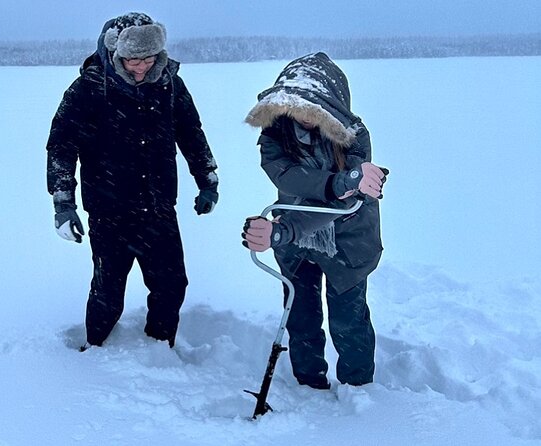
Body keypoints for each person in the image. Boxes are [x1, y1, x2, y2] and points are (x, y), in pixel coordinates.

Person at [46, 12, 219, 351]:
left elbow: (191, 133)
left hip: (158, 207)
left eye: (148, 59)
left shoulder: (170, 84)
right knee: (108, 291)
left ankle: (159, 345)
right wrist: (63, 204)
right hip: (109, 211)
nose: (140, 68)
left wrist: (207, 179)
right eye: (132, 60)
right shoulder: (88, 88)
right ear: (115, 54)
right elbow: (61, 146)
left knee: (171, 284)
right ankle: (95, 349)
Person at [242, 53, 388, 389]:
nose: (304, 118)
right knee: (300, 314)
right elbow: (292, 181)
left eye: (313, 109)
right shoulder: (274, 136)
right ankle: (308, 385)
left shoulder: (354, 136)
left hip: (348, 242)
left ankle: (358, 391)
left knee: (349, 320)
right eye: (296, 107)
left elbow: (345, 203)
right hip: (293, 236)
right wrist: (337, 185)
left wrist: (354, 183)